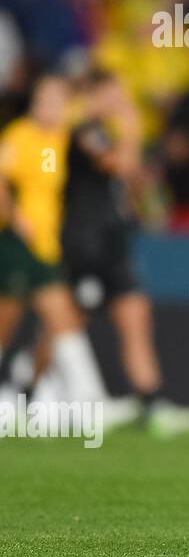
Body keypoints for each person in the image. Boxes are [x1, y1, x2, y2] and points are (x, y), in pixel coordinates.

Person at [61, 69, 189, 432]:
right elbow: (119, 165)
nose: (121, 100)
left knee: (135, 317)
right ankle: (26, 389)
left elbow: (136, 179)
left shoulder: (109, 134)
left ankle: (152, 404)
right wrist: (133, 131)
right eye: (114, 93)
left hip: (113, 241)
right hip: (84, 242)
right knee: (68, 321)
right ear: (95, 94)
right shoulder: (86, 131)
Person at [0, 75, 108, 406]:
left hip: (48, 245)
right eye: (45, 99)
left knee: (62, 318)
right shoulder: (20, 135)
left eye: (58, 101)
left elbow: (98, 125)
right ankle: (90, 398)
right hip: (18, 242)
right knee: (8, 318)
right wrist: (15, 218)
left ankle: (89, 399)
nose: (51, 106)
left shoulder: (64, 137)